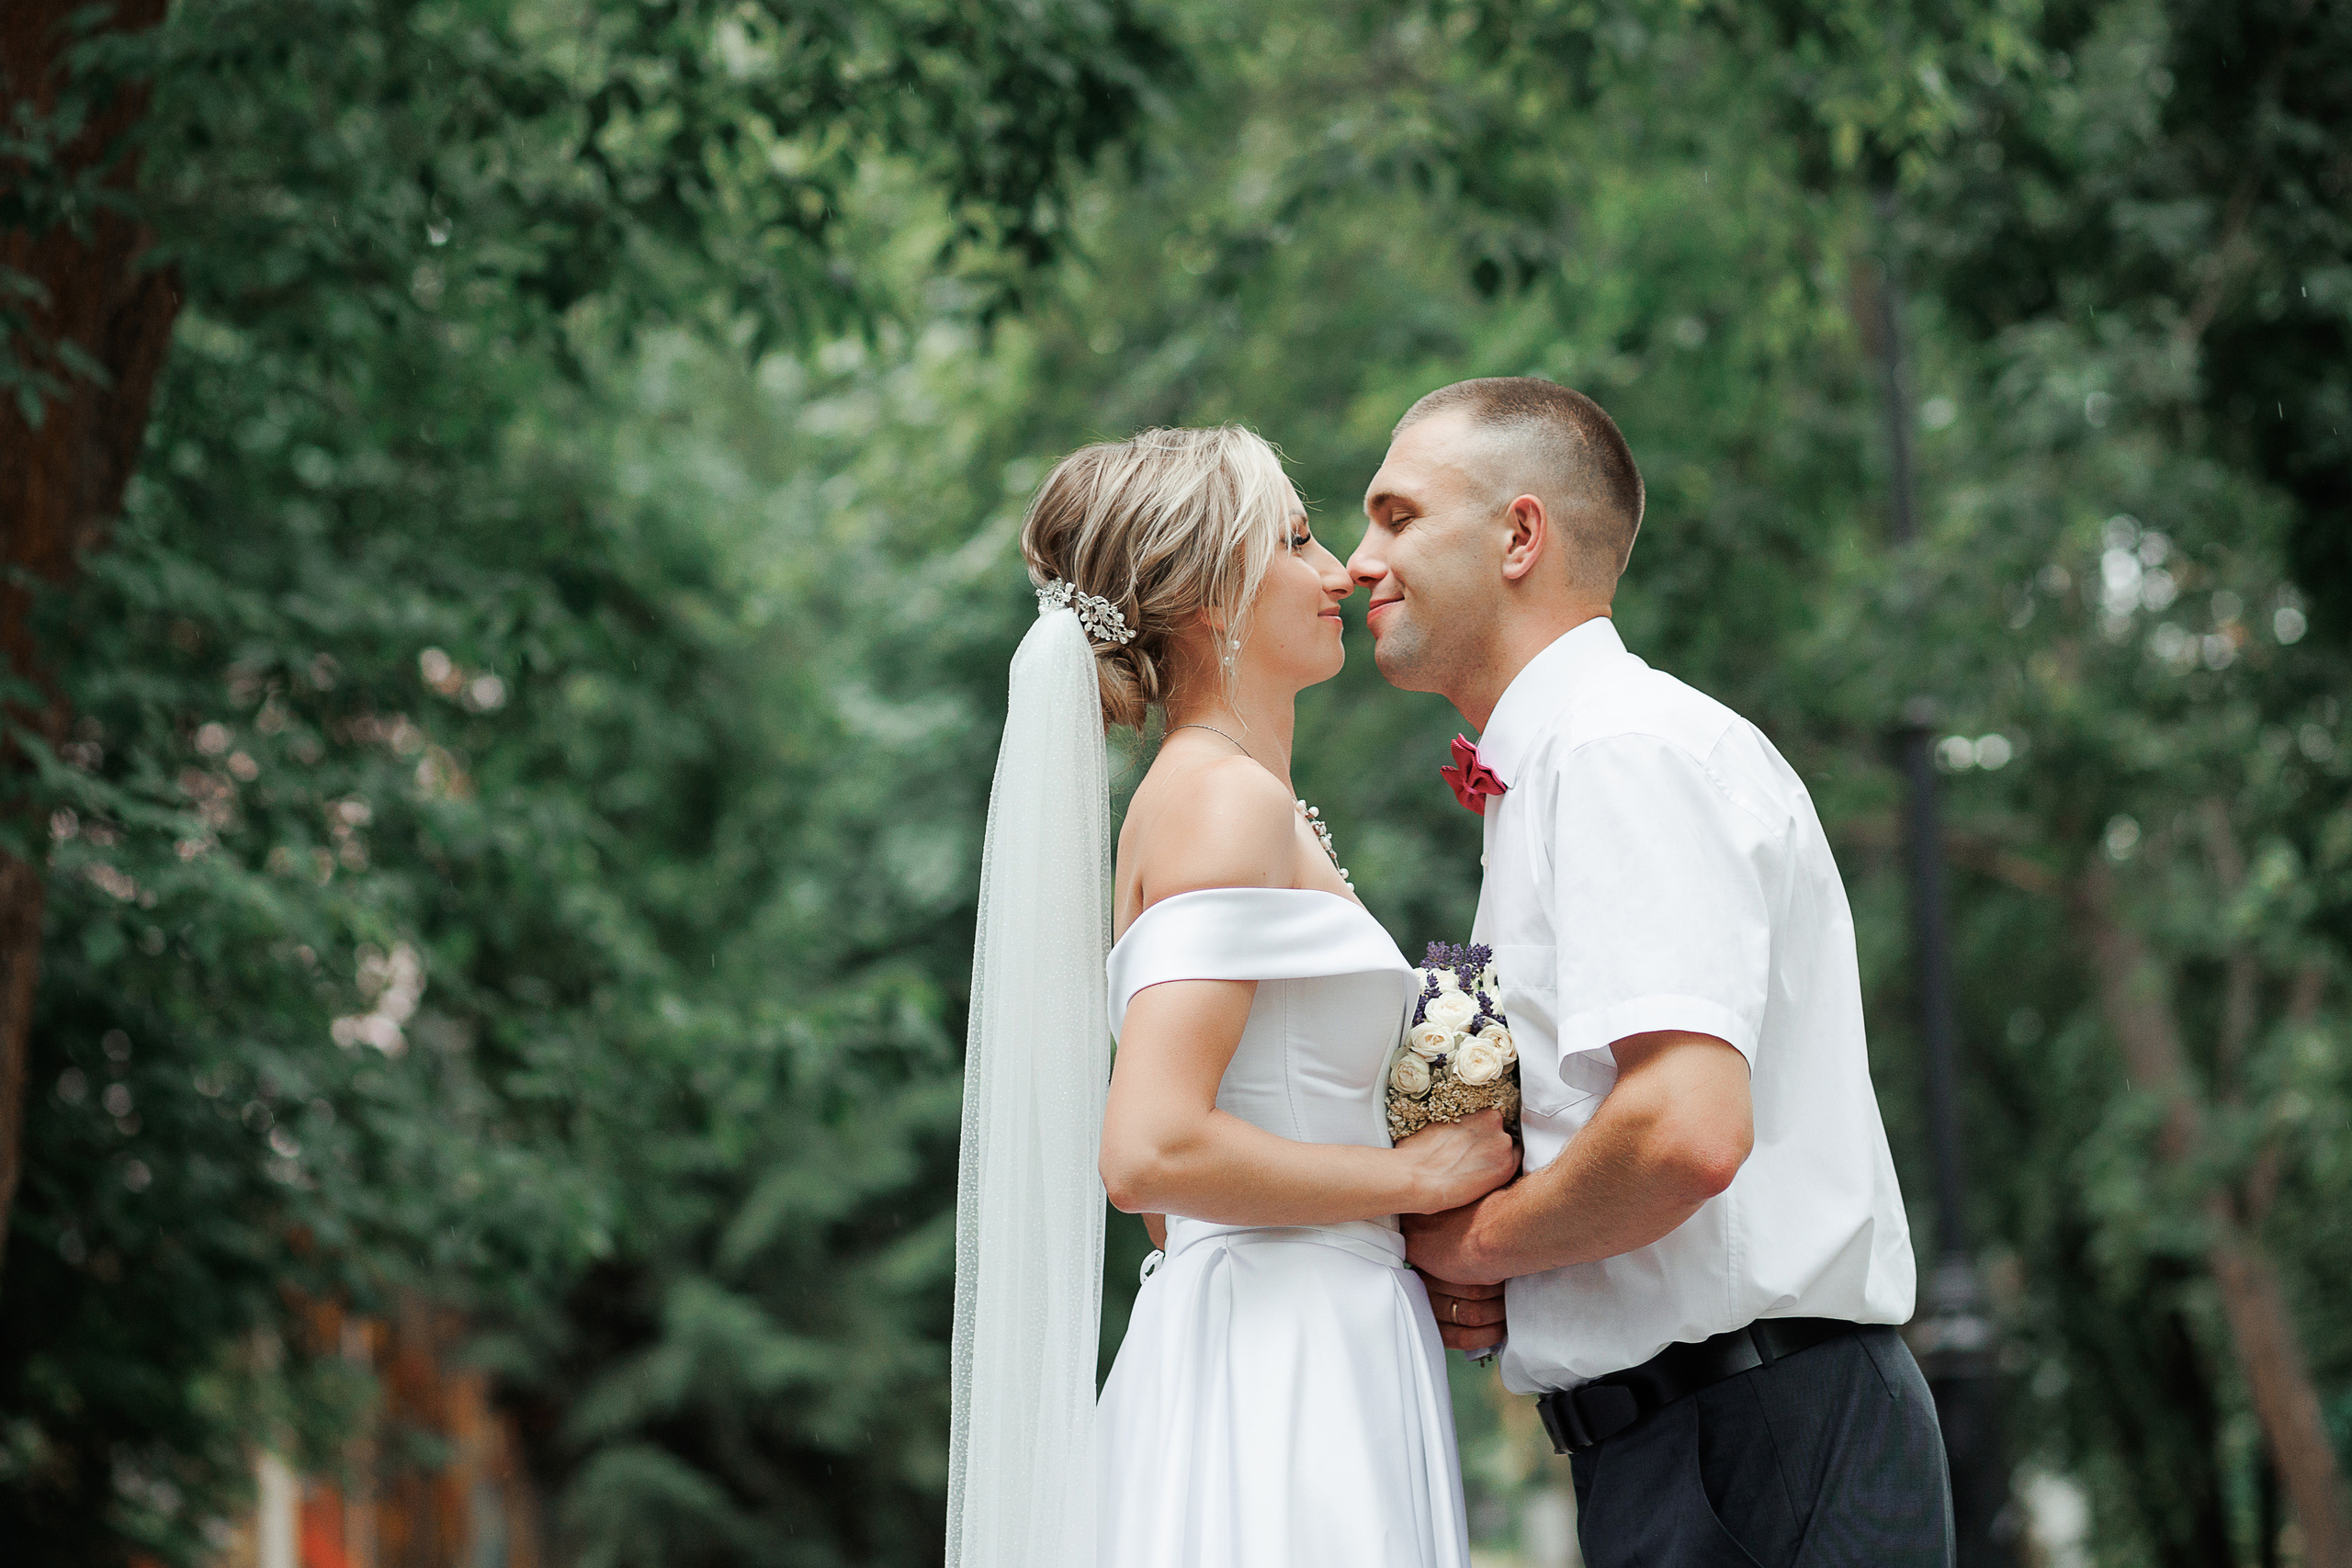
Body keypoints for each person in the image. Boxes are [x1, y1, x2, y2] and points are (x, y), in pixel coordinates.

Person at [1351, 378, 1955, 1568]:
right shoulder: (1562, 770)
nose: (1360, 560)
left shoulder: (1619, 751)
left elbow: (1683, 1131)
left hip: (1755, 1442)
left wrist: (1479, 1245)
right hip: (1691, 1444)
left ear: (1521, 534)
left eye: (1398, 515)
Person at [948, 424, 1516, 1568]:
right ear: (1213, 600)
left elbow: (1184, 1201)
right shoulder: (1220, 805)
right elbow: (1148, 1154)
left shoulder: (1229, 800)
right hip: (1283, 1367)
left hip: (1296, 1325)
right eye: (1298, 540)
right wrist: (1407, 1179)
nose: (1339, 570)